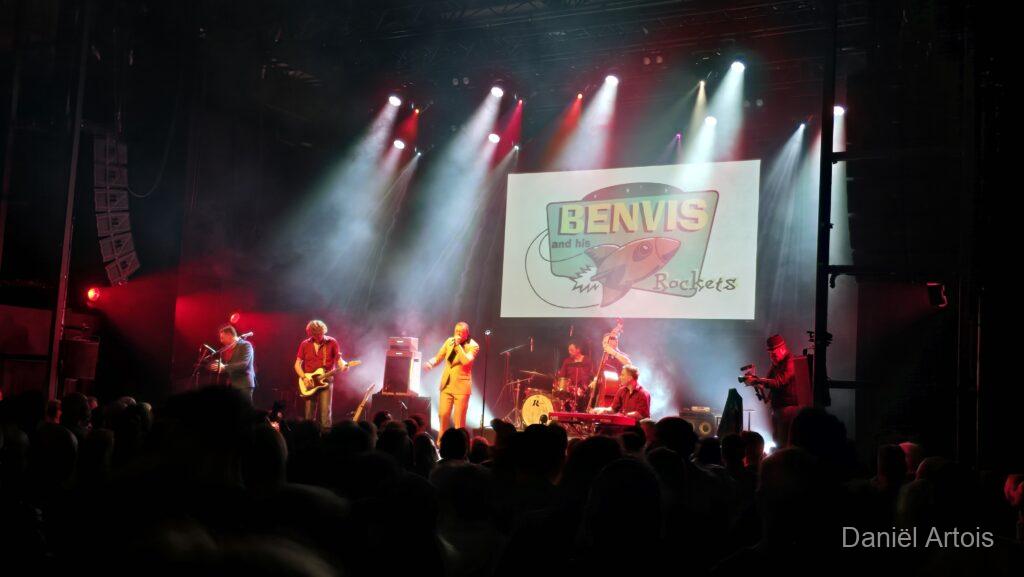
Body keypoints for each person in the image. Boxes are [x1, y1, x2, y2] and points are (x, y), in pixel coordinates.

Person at [425, 321, 480, 437]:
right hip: (446, 385)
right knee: (443, 415)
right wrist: (431, 363)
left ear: (467, 333)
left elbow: (466, 361)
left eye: (461, 332)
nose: (458, 334)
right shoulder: (449, 341)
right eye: (456, 331)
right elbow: (439, 357)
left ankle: (459, 445)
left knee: (458, 420)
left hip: (461, 387)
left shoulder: (473, 345)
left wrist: (458, 346)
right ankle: (441, 443)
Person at [743, 334, 798, 447]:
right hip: (778, 408)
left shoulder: (790, 362)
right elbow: (768, 381)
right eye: (770, 354)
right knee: (777, 439)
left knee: (782, 441)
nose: (772, 357)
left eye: (773, 353)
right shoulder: (776, 363)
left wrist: (758, 381)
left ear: (782, 349)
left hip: (787, 408)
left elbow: (779, 382)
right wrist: (754, 381)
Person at [294, 320, 349, 428]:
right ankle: (309, 434)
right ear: (310, 333)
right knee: (309, 414)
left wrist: (344, 365)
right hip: (309, 381)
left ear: (323, 331)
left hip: (326, 379)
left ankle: (326, 434)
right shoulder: (305, 344)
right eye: (314, 335)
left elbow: (339, 360)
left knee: (325, 412)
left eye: (320, 334)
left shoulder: (332, 342)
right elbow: (297, 364)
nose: (318, 337)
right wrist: (304, 378)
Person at [208, 325, 256, 401]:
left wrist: (224, 367)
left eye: (222, 338)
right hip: (233, 385)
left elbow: (244, 364)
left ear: (229, 335)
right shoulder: (229, 349)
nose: (221, 341)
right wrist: (220, 367)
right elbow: (231, 366)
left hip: (244, 384)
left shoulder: (246, 345)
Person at [556, 342, 593, 411]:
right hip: (570, 392)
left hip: (584, 392)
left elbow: (592, 375)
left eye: (571, 350)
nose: (569, 352)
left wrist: (587, 387)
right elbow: (562, 377)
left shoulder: (587, 361)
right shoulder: (567, 361)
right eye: (569, 350)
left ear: (578, 349)